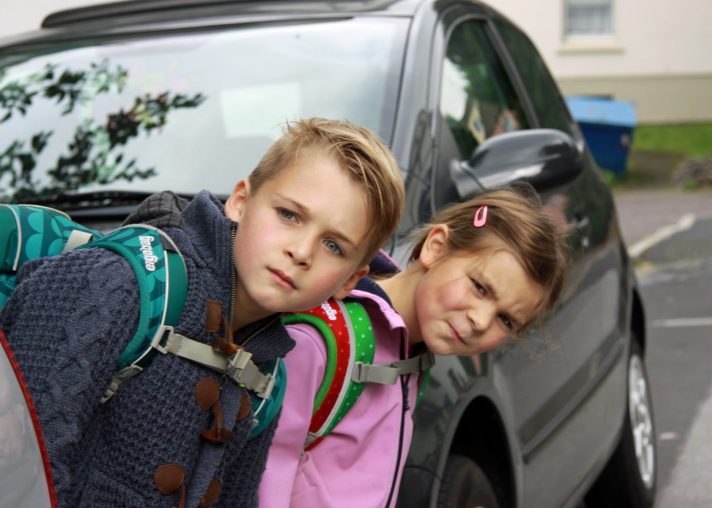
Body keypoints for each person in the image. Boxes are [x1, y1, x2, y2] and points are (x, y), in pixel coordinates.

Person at [0, 117, 405, 507]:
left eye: (333, 246)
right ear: (241, 202)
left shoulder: (267, 377)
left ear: (350, 280)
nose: (300, 252)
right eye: (288, 215)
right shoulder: (120, 284)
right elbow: (25, 471)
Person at [259, 186, 568, 507]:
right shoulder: (325, 340)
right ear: (436, 247)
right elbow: (262, 477)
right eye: (480, 287)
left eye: (505, 320)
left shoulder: (412, 356)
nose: (480, 320)